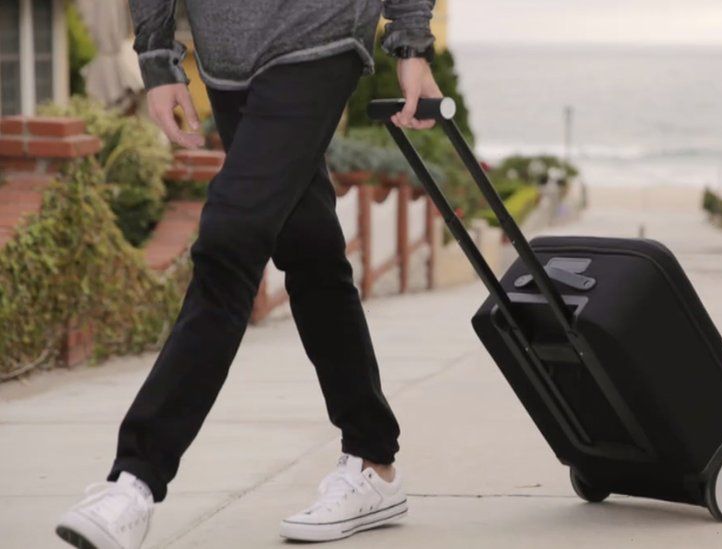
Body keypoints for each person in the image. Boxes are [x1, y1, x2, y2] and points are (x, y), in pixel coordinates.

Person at [55, 1, 442, 547]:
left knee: (228, 242)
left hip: (321, 33)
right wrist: (157, 56)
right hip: (227, 59)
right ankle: (374, 461)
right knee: (309, 251)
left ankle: (137, 477)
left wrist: (410, 38)